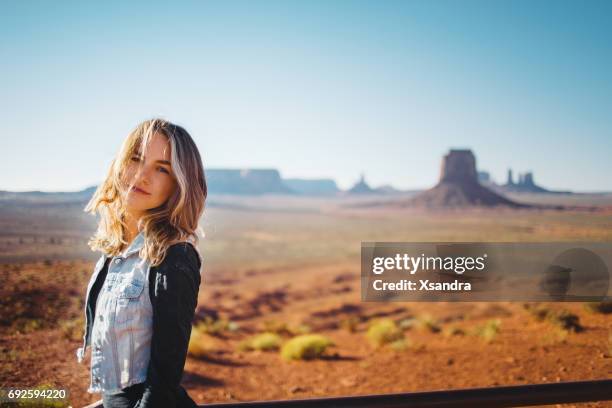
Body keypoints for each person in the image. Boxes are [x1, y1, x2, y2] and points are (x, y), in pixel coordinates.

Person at [76, 118, 207, 407]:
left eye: (161, 168)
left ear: (178, 184)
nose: (142, 175)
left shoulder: (173, 255)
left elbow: (163, 380)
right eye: (136, 159)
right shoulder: (114, 253)